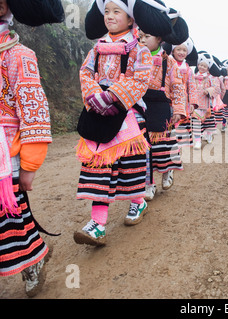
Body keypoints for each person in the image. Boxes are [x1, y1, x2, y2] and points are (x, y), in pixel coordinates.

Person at [74, 0, 172, 247]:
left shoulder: (138, 50)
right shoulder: (96, 49)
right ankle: (98, 224)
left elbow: (139, 79)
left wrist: (112, 97)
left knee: (131, 168)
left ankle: (138, 202)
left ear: (131, 20)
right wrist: (94, 96)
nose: (109, 16)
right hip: (98, 112)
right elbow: (85, 73)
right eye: (106, 11)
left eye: (116, 11)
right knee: (98, 166)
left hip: (128, 116)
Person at [0, 0, 65, 297]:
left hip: (7, 158)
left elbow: (34, 111)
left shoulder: (18, 56)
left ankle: (32, 262)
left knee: (12, 220)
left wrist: (29, 165)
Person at [139, 24, 188, 201]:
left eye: (147, 36)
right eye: (140, 36)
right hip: (140, 108)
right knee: (145, 150)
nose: (142, 40)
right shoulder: (134, 58)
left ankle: (167, 171)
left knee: (162, 149)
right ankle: (148, 184)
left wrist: (178, 109)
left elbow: (178, 88)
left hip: (161, 109)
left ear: (159, 39)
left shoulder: (170, 62)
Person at [165, 38, 199, 149]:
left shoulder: (188, 70)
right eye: (178, 49)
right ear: (173, 51)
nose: (181, 52)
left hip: (183, 104)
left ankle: (178, 153)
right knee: (169, 129)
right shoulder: (168, 64)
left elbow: (192, 86)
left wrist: (193, 103)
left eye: (184, 50)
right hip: (168, 101)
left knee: (181, 132)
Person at [192, 51, 221, 150]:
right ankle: (197, 141)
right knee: (196, 123)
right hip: (195, 104)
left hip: (207, 105)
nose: (202, 67)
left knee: (208, 123)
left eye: (205, 66)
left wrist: (208, 91)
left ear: (208, 68)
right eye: (200, 65)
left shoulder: (211, 78)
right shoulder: (193, 76)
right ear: (198, 65)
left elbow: (217, 88)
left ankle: (209, 135)